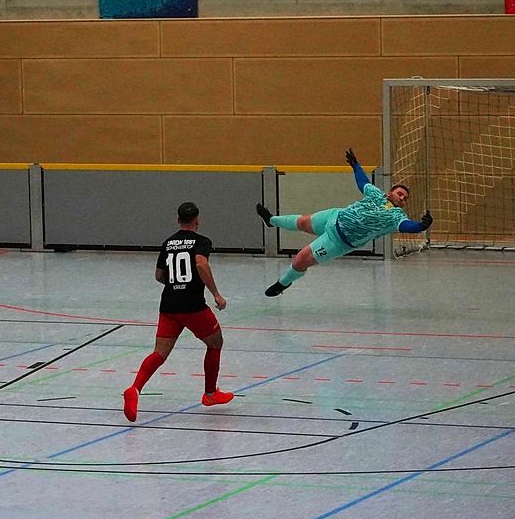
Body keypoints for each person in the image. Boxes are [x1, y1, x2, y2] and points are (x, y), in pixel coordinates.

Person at [257, 148, 433, 297]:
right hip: (334, 216)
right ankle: (271, 220)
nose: (402, 198)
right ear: (390, 193)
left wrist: (421, 226)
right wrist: (356, 165)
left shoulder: (397, 216)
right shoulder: (377, 194)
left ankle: (283, 283)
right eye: (400, 194)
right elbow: (363, 182)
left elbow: (407, 226)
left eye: (405, 198)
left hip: (338, 241)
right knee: (302, 222)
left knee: (301, 259)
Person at [122, 202, 232, 422]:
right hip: (193, 306)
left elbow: (159, 275)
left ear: (178, 220)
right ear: (197, 220)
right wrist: (216, 294)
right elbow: (201, 264)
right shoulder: (202, 242)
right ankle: (210, 394)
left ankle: (134, 389)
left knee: (159, 353)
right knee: (215, 342)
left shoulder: (168, 242)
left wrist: (175, 285)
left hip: (169, 305)